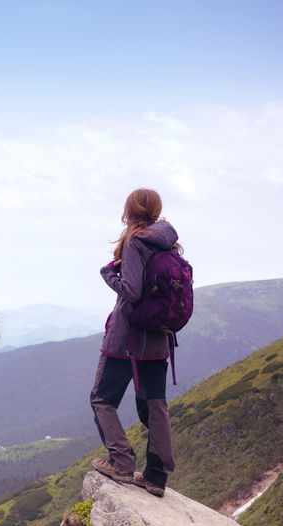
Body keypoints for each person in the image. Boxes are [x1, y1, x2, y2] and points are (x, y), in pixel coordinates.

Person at [90, 188, 182, 497]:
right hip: (158, 340)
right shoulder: (170, 244)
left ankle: (122, 464)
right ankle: (157, 477)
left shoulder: (134, 242)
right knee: (154, 406)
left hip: (126, 341)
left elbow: (131, 291)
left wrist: (108, 274)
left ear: (129, 211)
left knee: (102, 399)